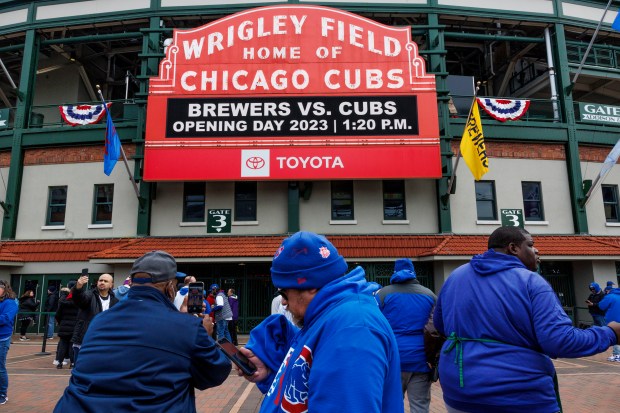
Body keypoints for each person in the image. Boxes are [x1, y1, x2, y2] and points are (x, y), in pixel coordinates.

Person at [433, 226, 620, 413]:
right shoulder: (531, 281)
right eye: (531, 245)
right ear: (513, 248)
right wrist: (610, 333)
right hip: (518, 394)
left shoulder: (456, 276)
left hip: (458, 391)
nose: (536, 250)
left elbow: (441, 325)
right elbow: (560, 341)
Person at [238, 231, 403, 412]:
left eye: (284, 292)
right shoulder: (326, 318)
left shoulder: (352, 329)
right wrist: (271, 375)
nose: (283, 302)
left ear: (311, 286)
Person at [54, 250, 231, 413]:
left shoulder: (99, 321)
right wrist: (203, 335)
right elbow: (214, 374)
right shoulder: (187, 327)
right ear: (170, 286)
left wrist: (182, 320)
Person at [375, 258, 436, 413]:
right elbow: (437, 328)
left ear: (395, 271)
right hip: (421, 360)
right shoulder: (429, 295)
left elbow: (374, 326)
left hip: (392, 359)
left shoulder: (382, 295)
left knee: (391, 406)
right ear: (413, 272)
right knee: (420, 406)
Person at [71, 273, 118, 363]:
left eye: (105, 281)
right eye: (100, 280)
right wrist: (78, 287)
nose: (102, 282)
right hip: (85, 339)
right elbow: (79, 300)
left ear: (111, 285)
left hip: (104, 341)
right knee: (81, 368)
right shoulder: (89, 295)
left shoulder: (115, 301)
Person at [0, 280, 18, 405]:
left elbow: (6, 318)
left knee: (0, 368)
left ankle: (2, 394)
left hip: (2, 338)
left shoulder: (11, 303)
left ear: (4, 289)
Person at [54, 282, 79, 369]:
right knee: (72, 345)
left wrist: (61, 322)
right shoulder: (78, 301)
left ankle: (59, 362)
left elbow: (58, 315)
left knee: (63, 345)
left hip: (64, 325)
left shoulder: (63, 301)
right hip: (74, 326)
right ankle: (72, 363)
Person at [598, 286, 620, 362]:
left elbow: (601, 306)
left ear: (607, 291)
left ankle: (617, 354)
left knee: (616, 336)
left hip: (613, 320)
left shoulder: (610, 296)